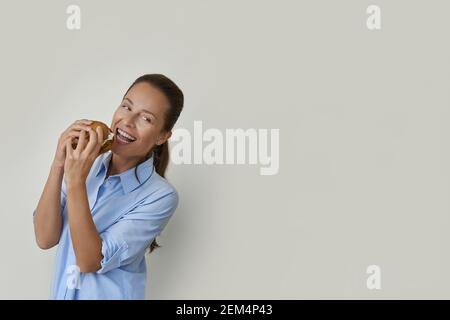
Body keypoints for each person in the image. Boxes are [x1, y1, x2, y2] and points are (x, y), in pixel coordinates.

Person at [33, 74, 184, 299]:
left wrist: (75, 182)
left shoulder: (160, 196)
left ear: (162, 136)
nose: (128, 122)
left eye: (146, 119)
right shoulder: (87, 164)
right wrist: (59, 164)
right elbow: (45, 238)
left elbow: (90, 261)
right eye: (126, 106)